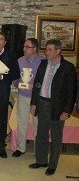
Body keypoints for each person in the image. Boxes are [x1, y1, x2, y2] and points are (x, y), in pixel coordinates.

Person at [29, 39, 77, 176]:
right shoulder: (43, 64)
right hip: (42, 103)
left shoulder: (68, 68)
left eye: (50, 50)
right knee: (41, 135)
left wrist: (67, 111)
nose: (47, 52)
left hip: (58, 107)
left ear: (58, 51)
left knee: (56, 137)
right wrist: (34, 103)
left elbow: (71, 91)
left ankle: (52, 164)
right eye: (46, 49)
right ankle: (41, 161)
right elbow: (37, 84)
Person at [12, 38, 43, 157]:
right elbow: (14, 78)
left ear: (34, 49)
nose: (24, 49)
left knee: (37, 124)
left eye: (27, 47)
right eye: (24, 46)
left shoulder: (42, 61)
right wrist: (17, 84)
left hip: (37, 98)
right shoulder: (19, 60)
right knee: (21, 123)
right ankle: (21, 148)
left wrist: (34, 86)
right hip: (23, 96)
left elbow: (44, 81)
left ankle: (39, 150)